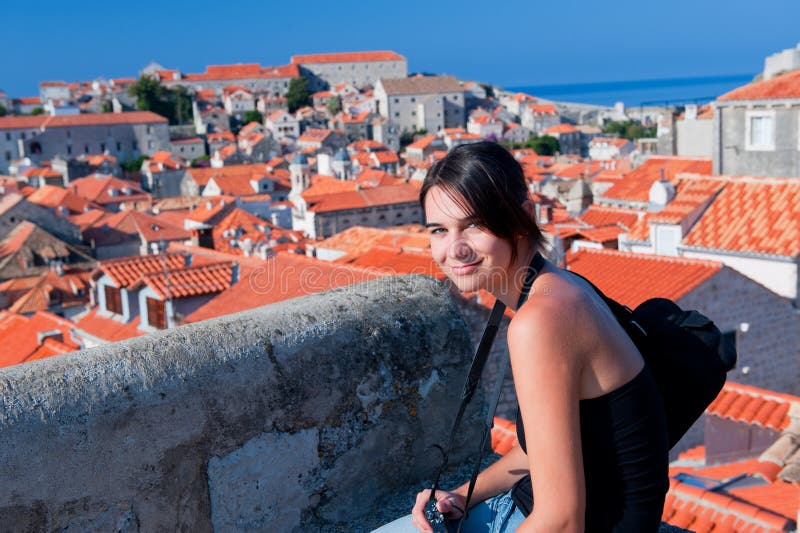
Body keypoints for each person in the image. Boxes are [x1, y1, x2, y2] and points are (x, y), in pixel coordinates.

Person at [374, 142, 668, 533]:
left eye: (475, 225)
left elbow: (562, 521)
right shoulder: (557, 284)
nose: (454, 249)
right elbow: (540, 452)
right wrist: (462, 495)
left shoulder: (540, 321)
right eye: (439, 230)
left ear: (523, 218)